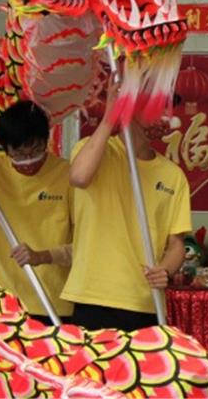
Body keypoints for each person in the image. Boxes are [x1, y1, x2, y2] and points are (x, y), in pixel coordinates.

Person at [63, 84, 190, 331]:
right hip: (92, 294)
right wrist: (112, 116)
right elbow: (79, 177)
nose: (164, 116)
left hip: (144, 300)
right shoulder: (97, 151)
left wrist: (165, 269)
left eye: (168, 109)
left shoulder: (173, 176)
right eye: (156, 108)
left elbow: (176, 245)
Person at [0, 100, 73, 325]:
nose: (29, 160)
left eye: (37, 150)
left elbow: (86, 243)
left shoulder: (68, 174)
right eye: (19, 154)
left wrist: (42, 256)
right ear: (6, 148)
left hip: (57, 302)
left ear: (46, 140)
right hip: (5, 299)